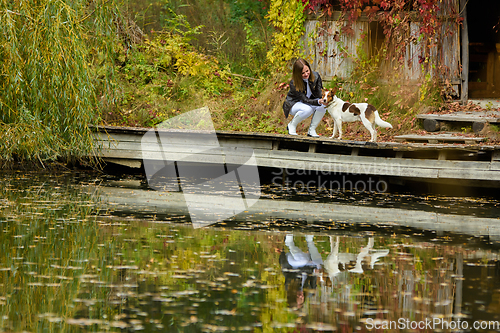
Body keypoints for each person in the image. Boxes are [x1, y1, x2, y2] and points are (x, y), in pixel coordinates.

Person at [283, 58, 327, 137]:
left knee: (323, 106)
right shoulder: (294, 83)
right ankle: (292, 125)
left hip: (308, 102)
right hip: (293, 104)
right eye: (302, 73)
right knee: (307, 109)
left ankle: (311, 130)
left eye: (307, 71)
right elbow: (304, 100)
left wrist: (325, 99)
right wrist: (317, 102)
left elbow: (319, 93)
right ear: (298, 74)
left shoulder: (316, 76)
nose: (306, 74)